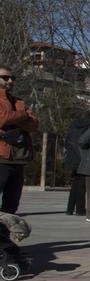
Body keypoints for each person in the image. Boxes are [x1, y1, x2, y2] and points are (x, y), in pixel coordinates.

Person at [0, 65, 38, 215]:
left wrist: (13, 117)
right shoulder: (19, 106)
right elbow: (2, 118)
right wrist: (22, 115)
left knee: (12, 202)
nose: (10, 80)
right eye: (5, 77)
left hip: (18, 157)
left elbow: (34, 124)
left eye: (12, 78)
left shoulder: (18, 101)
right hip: (2, 156)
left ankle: (4, 235)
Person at [65, 112, 90, 216]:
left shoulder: (73, 126)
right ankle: (80, 209)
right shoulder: (89, 127)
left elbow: (67, 142)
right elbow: (85, 142)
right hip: (83, 158)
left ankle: (69, 209)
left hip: (72, 158)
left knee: (75, 184)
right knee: (82, 185)